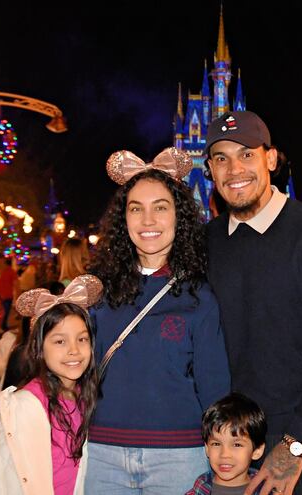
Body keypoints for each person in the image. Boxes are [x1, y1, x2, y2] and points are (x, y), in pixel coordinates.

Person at [204, 111, 302, 495]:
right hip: (228, 449)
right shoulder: (206, 244)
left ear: (270, 159)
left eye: (246, 154)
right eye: (221, 158)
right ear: (210, 168)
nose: (234, 169)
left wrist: (293, 444)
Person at [85, 147, 231, 494]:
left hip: (180, 456)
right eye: (136, 209)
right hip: (102, 456)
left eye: (160, 208)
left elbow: (215, 390)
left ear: (179, 217)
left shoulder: (200, 296)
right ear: (124, 221)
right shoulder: (96, 293)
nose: (148, 221)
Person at [0, 274, 103, 495]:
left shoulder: (86, 396)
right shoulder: (26, 405)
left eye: (82, 339)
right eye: (60, 341)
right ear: (40, 348)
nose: (74, 350)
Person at [185, 392, 266, 495]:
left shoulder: (270, 491)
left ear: (257, 451)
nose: (224, 454)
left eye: (237, 445)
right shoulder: (197, 492)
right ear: (207, 448)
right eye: (216, 444)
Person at [0, 254, 20, 332]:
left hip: (7, 297)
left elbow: (16, 284)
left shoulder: (10, 271)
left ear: (4, 260)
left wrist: (17, 297)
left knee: (4, 313)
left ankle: (2, 328)